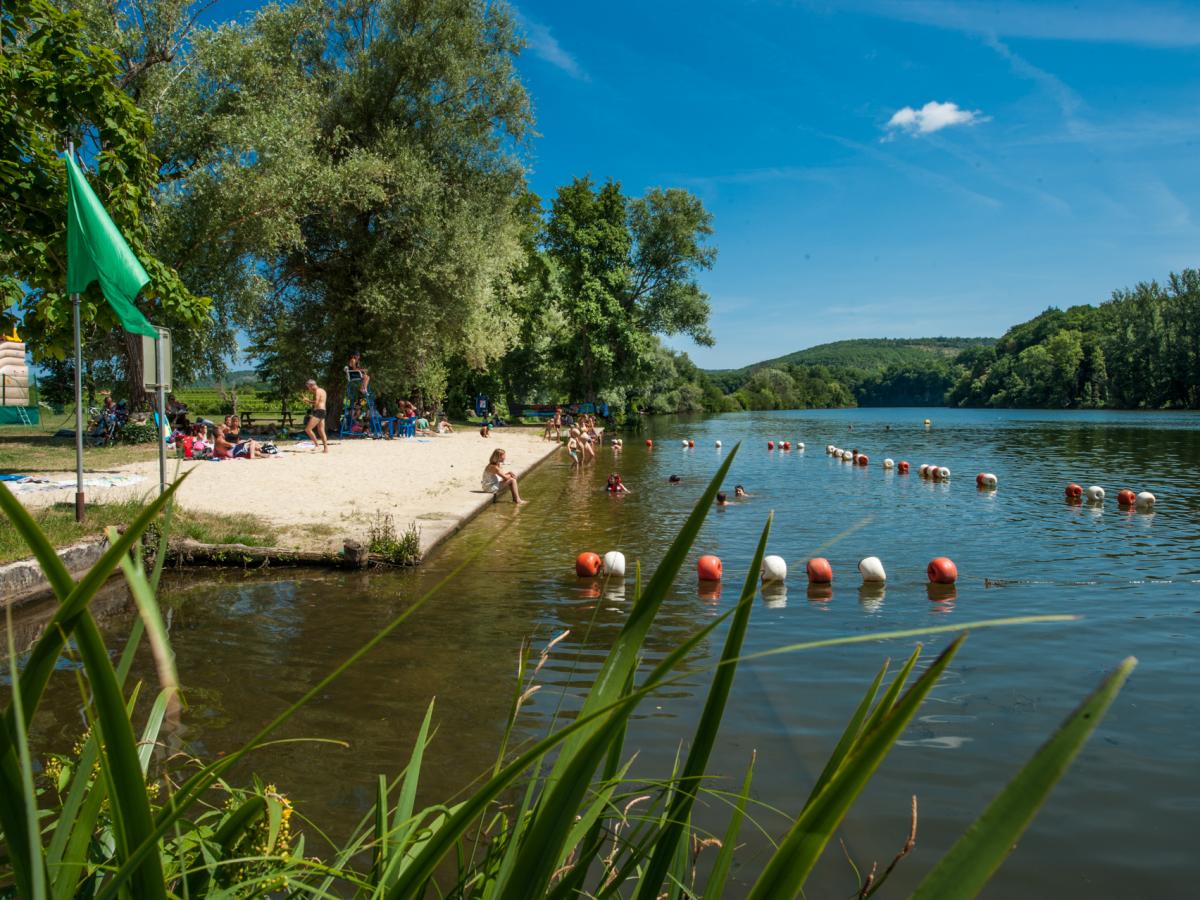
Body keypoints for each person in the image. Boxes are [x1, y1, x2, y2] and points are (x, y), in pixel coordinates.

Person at [304, 379, 328, 452]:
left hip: (319, 411)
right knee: (321, 430)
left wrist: (307, 401)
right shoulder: (323, 390)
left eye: (309, 387)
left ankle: (317, 445)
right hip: (323, 411)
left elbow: (317, 403)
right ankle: (326, 449)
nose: (309, 389)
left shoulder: (317, 391)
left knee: (308, 429)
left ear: (311, 385)